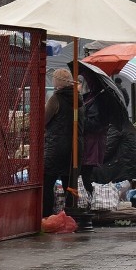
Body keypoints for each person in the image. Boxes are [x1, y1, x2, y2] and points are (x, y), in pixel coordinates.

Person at [43, 69, 84, 216]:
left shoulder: (56, 99)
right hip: (75, 147)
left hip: (57, 148)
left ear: (56, 82)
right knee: (70, 184)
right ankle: (71, 215)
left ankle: (46, 215)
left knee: (46, 182)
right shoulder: (78, 100)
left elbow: (44, 119)